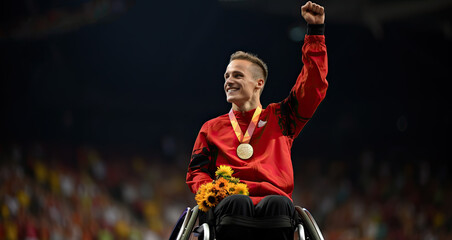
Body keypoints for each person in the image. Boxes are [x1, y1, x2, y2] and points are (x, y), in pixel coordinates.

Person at [186, 1, 327, 239]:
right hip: (228, 205)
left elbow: (312, 86)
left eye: (237, 75)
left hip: (274, 206)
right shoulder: (211, 128)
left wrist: (315, 34)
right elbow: (196, 172)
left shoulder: (282, 117)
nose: (228, 81)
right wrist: (211, 191)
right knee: (237, 203)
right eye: (226, 76)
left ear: (258, 83)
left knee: (278, 204)